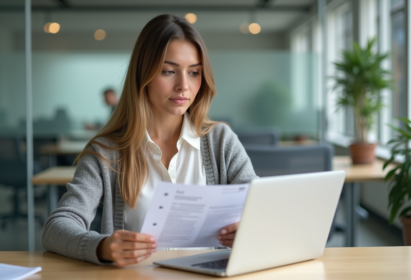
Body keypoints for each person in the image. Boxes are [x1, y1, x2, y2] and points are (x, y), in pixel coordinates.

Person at [42, 14, 257, 267]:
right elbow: (56, 229)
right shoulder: (107, 151)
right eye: (168, 71)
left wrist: (249, 229)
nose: (183, 86)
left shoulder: (220, 141)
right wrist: (103, 246)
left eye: (194, 73)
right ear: (143, 74)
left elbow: (262, 212)